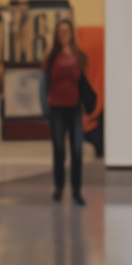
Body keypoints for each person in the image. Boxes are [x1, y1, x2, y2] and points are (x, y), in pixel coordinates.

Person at [44, 18, 88, 206]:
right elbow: (44, 84)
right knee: (59, 150)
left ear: (71, 33)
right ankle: (59, 187)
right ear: (56, 34)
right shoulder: (51, 57)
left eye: (67, 31)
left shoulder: (79, 56)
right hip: (57, 111)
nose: (64, 34)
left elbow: (84, 83)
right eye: (60, 31)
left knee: (77, 150)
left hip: (75, 110)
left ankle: (77, 190)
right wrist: (45, 108)